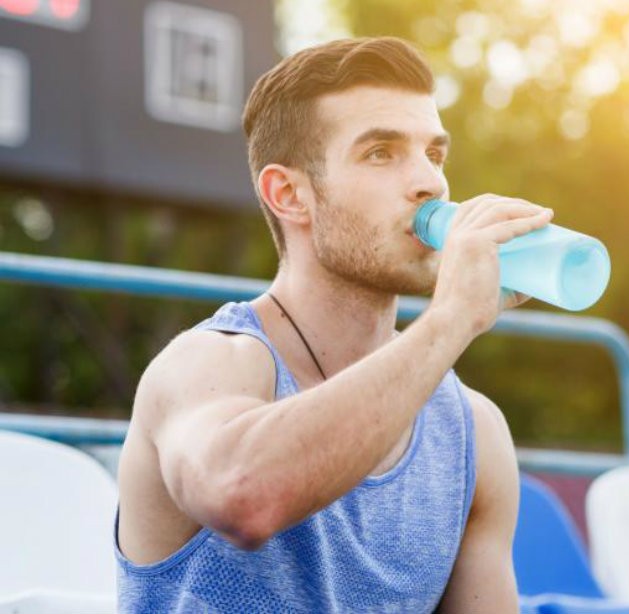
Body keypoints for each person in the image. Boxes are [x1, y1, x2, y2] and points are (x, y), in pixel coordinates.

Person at [114, 36, 553, 613]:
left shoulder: (473, 432)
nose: (430, 182)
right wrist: (449, 321)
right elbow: (243, 499)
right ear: (290, 194)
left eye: (434, 155)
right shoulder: (211, 364)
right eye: (380, 153)